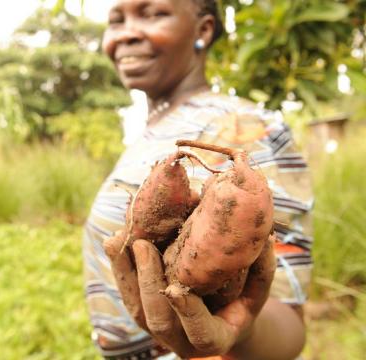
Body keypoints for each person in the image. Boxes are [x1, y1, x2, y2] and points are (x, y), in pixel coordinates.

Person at [83, 0, 314, 359]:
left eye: (153, 13)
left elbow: (288, 321)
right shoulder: (153, 130)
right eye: (116, 20)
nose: (126, 33)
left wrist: (241, 331)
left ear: (203, 30)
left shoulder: (244, 127)